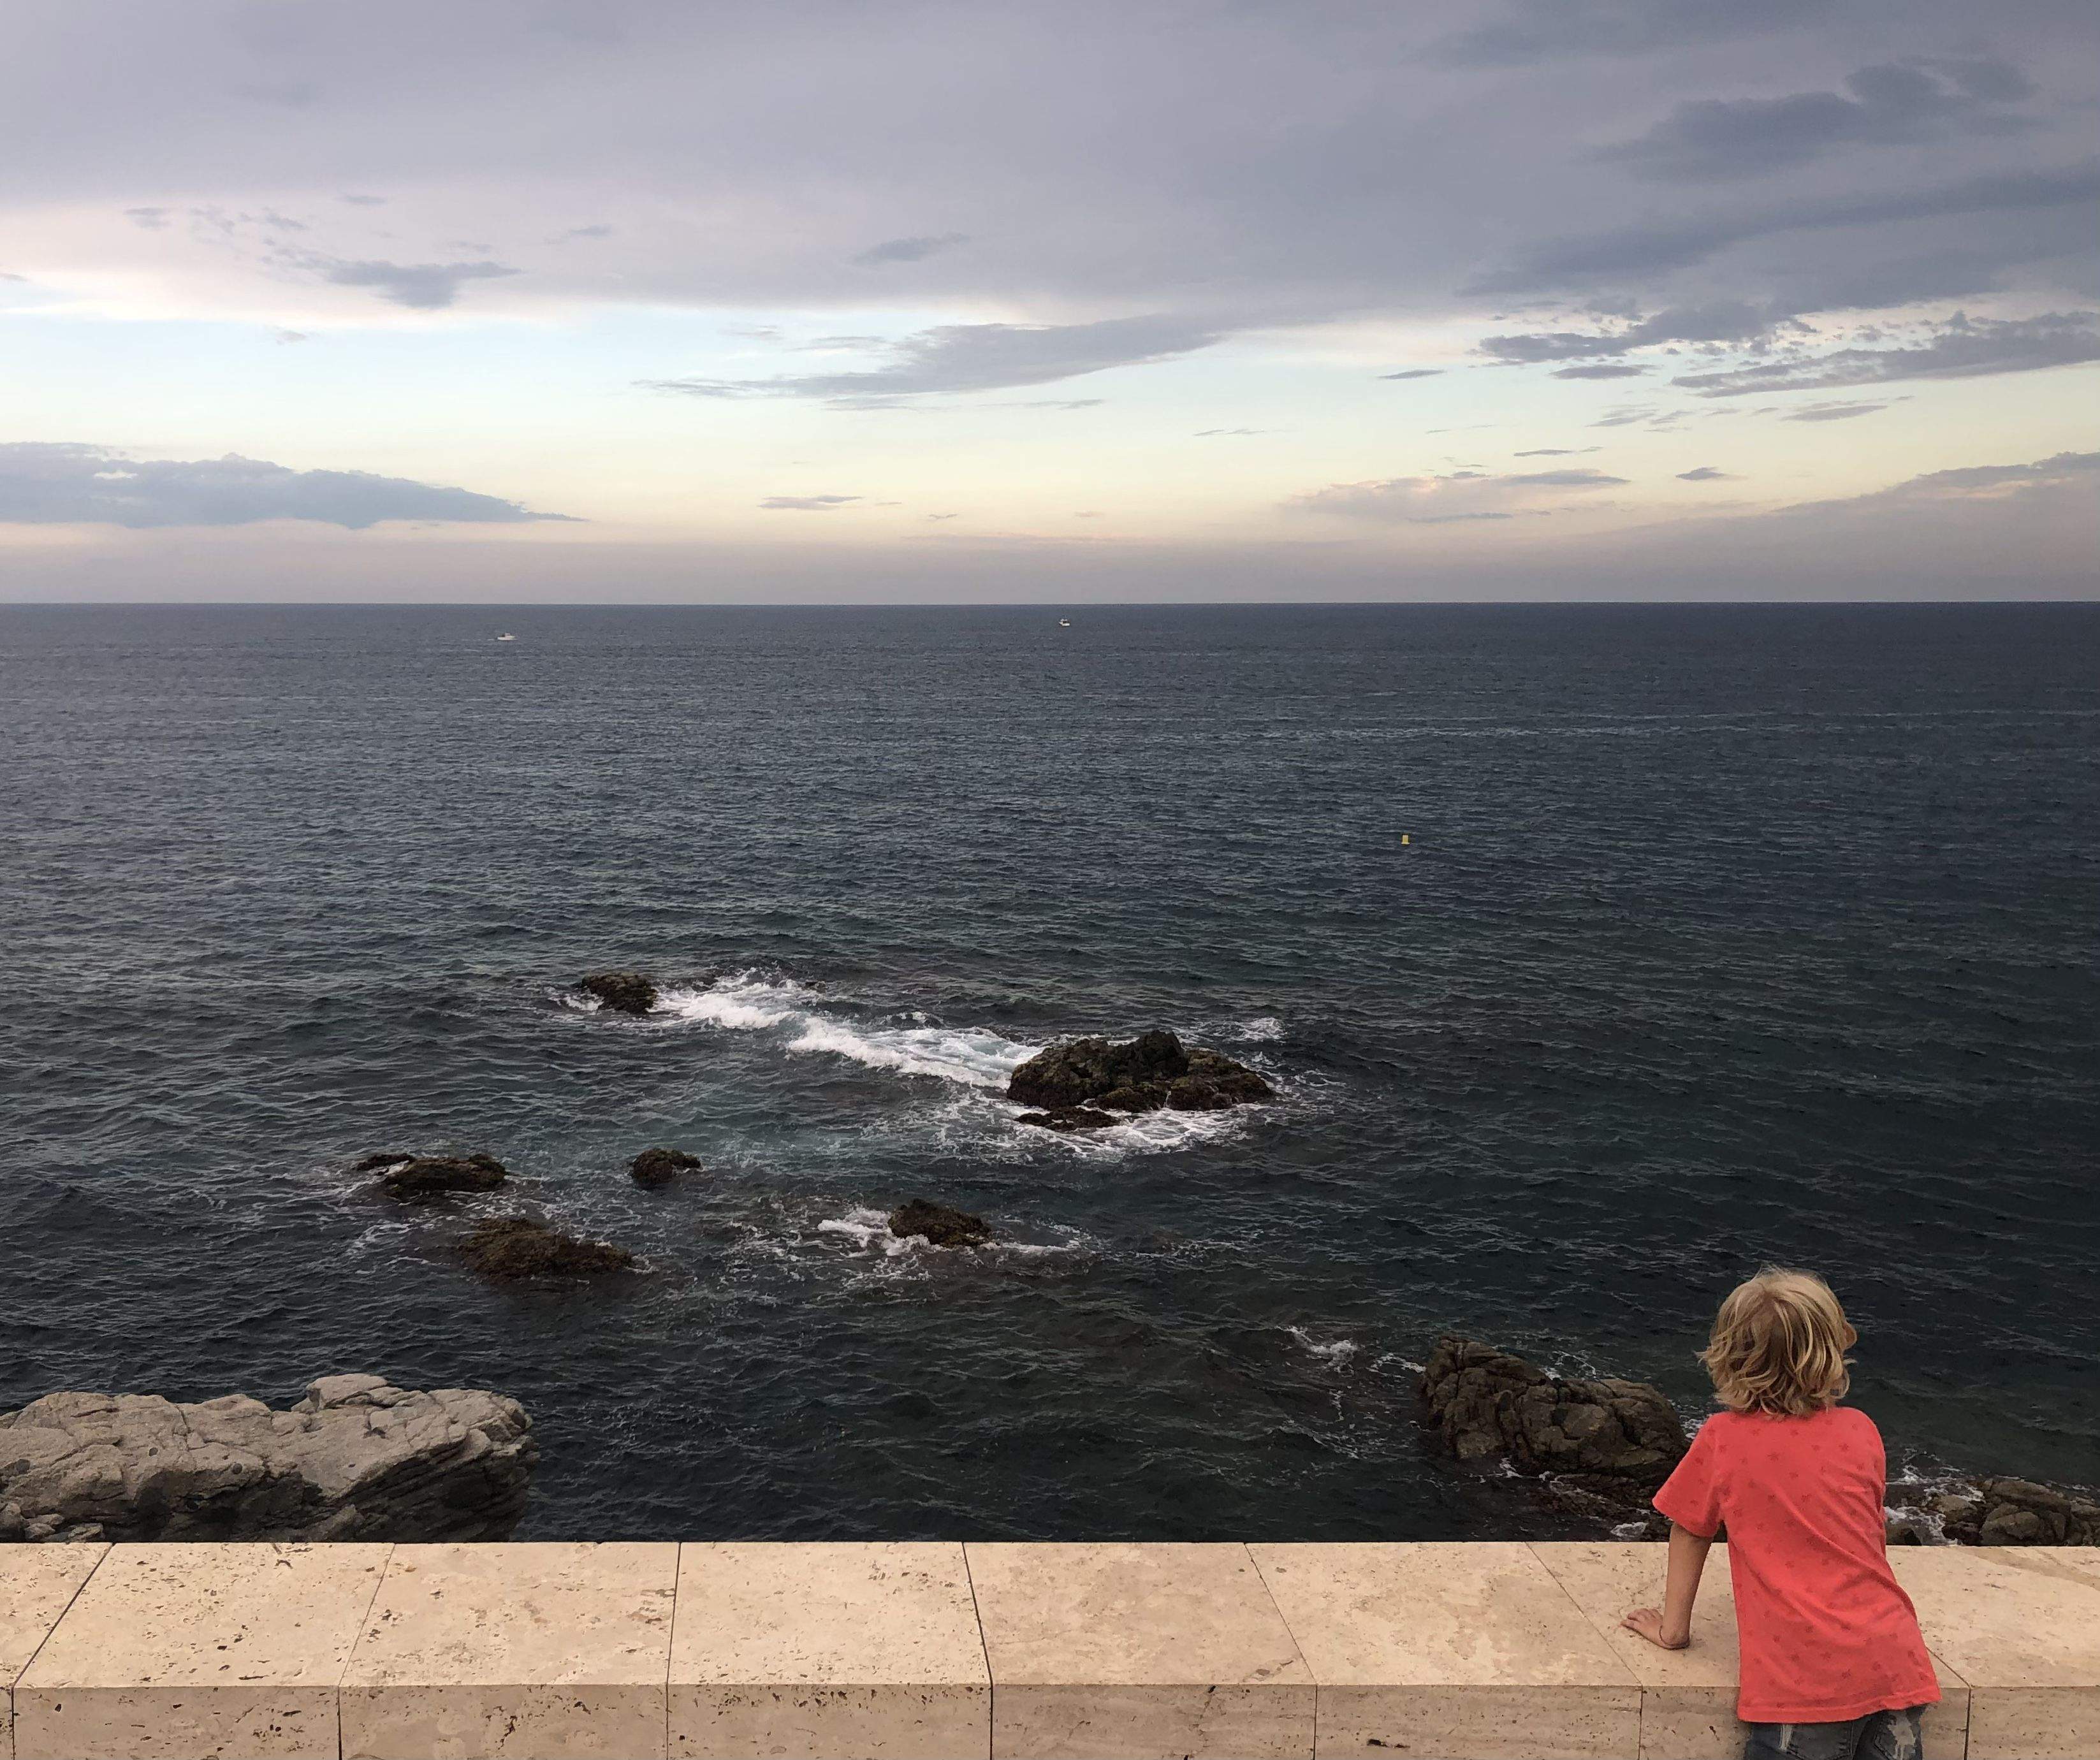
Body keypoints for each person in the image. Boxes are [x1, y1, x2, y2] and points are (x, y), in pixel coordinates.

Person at [1621, 1267, 1939, 1760]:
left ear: (1730, 1355)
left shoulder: (1723, 1438)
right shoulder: (1861, 1429)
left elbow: (1689, 1529)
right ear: (1830, 1351)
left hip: (1807, 1683)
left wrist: (1673, 1631)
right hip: (1894, 1659)